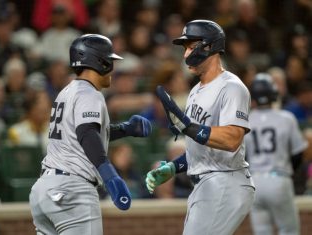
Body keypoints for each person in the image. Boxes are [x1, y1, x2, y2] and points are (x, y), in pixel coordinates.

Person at [29, 34, 152, 235]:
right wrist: (111, 177)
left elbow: (83, 132)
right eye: (110, 60)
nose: (113, 66)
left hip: (44, 190)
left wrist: (126, 129)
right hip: (72, 190)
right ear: (99, 62)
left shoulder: (66, 91)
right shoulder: (89, 93)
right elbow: (87, 134)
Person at [145, 19, 255, 235]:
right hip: (206, 183)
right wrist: (174, 167)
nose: (186, 53)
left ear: (209, 46)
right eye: (185, 47)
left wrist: (188, 127)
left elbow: (232, 139)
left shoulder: (231, 87)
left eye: (190, 46)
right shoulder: (195, 90)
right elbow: (201, 143)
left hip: (225, 180)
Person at [245, 73, 308, 235]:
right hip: (279, 177)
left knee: (262, 231)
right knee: (289, 230)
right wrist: (289, 173)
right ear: (273, 93)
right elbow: (297, 154)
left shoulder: (245, 121)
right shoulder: (286, 118)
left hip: (254, 181)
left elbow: (242, 157)